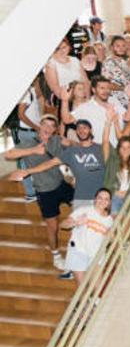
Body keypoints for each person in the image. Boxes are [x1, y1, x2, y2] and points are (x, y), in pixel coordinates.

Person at [4, 115, 72, 270]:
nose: (47, 128)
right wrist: (33, 150)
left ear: (54, 130)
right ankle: (56, 256)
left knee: (82, 205)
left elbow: (73, 146)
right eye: (45, 125)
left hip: (61, 184)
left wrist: (70, 142)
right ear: (39, 126)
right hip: (44, 190)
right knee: (52, 225)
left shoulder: (56, 140)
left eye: (51, 126)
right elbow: (9, 155)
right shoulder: (28, 143)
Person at [58, 188, 113, 282]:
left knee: (97, 286)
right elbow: (63, 224)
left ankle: (95, 298)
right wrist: (75, 222)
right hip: (78, 250)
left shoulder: (110, 220)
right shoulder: (84, 210)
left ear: (109, 202)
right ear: (95, 199)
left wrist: (111, 236)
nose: (103, 201)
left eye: (106, 199)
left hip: (96, 254)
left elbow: (111, 239)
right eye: (100, 198)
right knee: (82, 287)